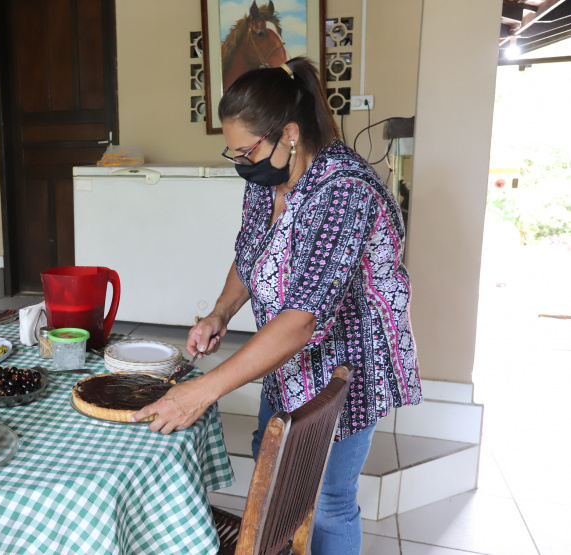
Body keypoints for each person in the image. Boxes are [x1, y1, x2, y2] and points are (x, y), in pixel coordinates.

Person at [131, 57, 422, 555]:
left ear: (289, 133)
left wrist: (203, 391)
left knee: (328, 502)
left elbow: (302, 320)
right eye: (234, 152)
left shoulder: (344, 192)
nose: (242, 163)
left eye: (247, 150)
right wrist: (220, 312)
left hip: (347, 367)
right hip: (285, 362)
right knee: (275, 474)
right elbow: (251, 255)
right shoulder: (267, 182)